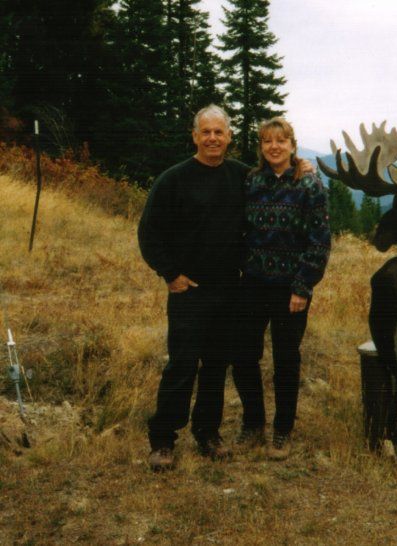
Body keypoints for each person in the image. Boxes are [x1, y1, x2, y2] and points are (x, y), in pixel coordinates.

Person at [138, 104, 247, 471]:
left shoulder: (243, 178)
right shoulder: (173, 180)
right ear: (195, 136)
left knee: (216, 366)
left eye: (220, 132)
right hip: (189, 291)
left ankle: (208, 433)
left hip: (229, 291)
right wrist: (171, 275)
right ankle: (163, 440)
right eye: (206, 132)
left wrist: (302, 166)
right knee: (182, 366)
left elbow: (280, 185)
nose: (213, 138)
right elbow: (149, 233)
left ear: (229, 136)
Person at [232, 117, 331, 460]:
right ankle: (253, 422)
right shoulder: (252, 181)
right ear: (261, 147)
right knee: (244, 355)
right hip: (253, 285)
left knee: (286, 359)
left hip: (291, 288)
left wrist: (303, 288)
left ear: (292, 144)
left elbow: (319, 242)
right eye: (266, 141)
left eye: (281, 140)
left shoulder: (310, 185)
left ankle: (282, 430)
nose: (274, 146)